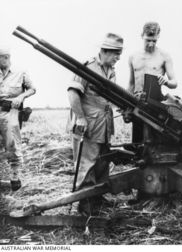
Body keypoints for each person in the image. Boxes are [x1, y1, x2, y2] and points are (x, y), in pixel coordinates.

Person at [67, 33, 123, 216]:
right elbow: (73, 93)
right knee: (86, 162)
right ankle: (86, 203)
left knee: (102, 162)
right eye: (116, 53)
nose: (118, 58)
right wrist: (80, 118)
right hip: (88, 124)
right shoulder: (87, 67)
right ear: (105, 51)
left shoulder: (111, 70)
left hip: (104, 123)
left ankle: (98, 197)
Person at [128, 21, 177, 142]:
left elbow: (174, 82)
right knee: (138, 142)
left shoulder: (164, 56)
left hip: (156, 104)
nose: (151, 44)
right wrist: (127, 105)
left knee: (155, 142)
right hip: (137, 102)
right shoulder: (133, 56)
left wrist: (166, 82)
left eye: (154, 41)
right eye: (147, 40)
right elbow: (131, 83)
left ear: (158, 38)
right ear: (142, 36)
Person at [0, 47, 36, 191]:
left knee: (12, 143)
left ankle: (15, 176)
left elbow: (32, 89)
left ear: (7, 58)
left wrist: (20, 97)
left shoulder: (20, 72)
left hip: (11, 111)